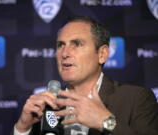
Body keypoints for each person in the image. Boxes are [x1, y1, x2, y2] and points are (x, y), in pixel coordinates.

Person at [12, 16, 158, 135]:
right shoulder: (47, 105)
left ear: (102, 54)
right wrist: (22, 128)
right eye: (61, 45)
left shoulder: (135, 98)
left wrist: (106, 122)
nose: (65, 53)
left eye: (77, 44)